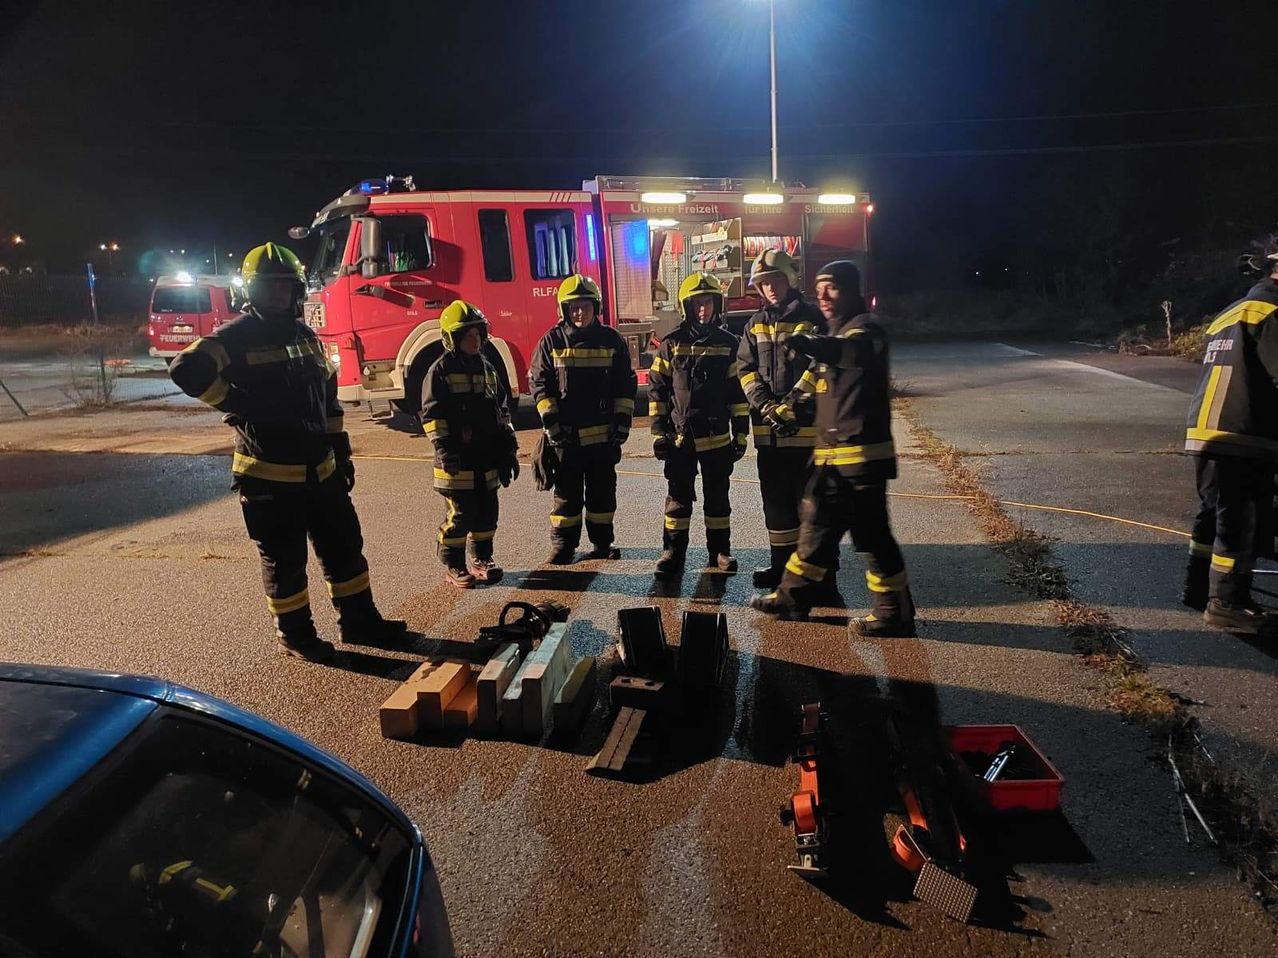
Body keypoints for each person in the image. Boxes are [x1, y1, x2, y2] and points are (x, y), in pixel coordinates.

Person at [170, 243, 407, 662]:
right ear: (252, 291)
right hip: (269, 476)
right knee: (286, 562)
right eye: (269, 287)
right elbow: (184, 369)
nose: (279, 294)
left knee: (345, 549)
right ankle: (296, 636)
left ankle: (360, 623)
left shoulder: (307, 337)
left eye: (285, 286)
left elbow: (329, 400)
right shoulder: (235, 336)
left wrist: (341, 452)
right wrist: (235, 402)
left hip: (321, 471)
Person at [750, 260, 915, 637]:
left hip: (862, 460)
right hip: (832, 460)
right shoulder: (836, 331)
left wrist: (808, 344)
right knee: (817, 530)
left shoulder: (865, 331)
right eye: (819, 287)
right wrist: (792, 407)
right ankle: (792, 598)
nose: (822, 295)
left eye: (832, 288)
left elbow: (848, 353)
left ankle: (895, 612)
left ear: (853, 291)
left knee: (873, 537)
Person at [1182, 251, 1278, 634]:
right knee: (1243, 519)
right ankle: (1228, 603)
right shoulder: (1272, 311)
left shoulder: (1234, 310)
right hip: (1244, 432)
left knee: (1214, 512)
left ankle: (1197, 587)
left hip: (1207, 430)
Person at [528, 274, 638, 563]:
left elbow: (625, 384)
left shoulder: (611, 340)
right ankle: (563, 547)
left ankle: (602, 545)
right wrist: (551, 423)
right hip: (566, 438)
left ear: (595, 308)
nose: (580, 312)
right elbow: (540, 384)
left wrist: (623, 421)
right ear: (564, 309)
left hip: (603, 438)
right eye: (574, 307)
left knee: (602, 495)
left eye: (585, 306)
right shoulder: (551, 341)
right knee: (567, 496)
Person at [647, 272, 751, 576]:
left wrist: (741, 434)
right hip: (681, 440)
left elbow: (738, 394)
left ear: (717, 305)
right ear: (686, 307)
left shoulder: (729, 344)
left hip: (717, 439)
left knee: (718, 500)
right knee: (678, 501)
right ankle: (673, 552)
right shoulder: (670, 345)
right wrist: (658, 434)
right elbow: (657, 392)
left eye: (708, 303)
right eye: (697, 305)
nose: (703, 310)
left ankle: (720, 552)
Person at [736, 248, 826, 588]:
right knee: (776, 508)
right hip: (769, 435)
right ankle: (782, 569)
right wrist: (765, 405)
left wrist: (789, 406)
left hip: (806, 433)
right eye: (763, 283)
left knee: (812, 508)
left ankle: (821, 577)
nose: (770, 288)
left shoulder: (812, 319)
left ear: (789, 279)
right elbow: (745, 370)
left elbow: (820, 367)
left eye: (775, 280)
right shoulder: (753, 324)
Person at [420, 300, 519, 588]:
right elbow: (432, 415)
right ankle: (453, 564)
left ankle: (482, 560)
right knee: (461, 515)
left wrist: (508, 450)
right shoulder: (439, 371)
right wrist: (445, 451)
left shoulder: (488, 369)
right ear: (452, 339)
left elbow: (502, 412)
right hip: (457, 460)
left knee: (488, 513)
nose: (474, 341)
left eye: (478, 335)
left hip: (485, 458)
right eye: (467, 336)